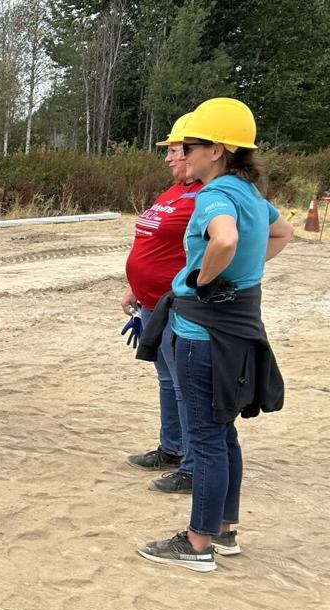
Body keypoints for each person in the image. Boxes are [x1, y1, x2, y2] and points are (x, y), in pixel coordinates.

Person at [137, 97, 291, 573]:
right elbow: (282, 233)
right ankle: (223, 531)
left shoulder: (215, 194)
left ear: (217, 150)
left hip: (201, 332)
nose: (182, 152)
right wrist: (243, 277)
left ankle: (198, 543)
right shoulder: (250, 193)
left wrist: (205, 279)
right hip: (238, 328)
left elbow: (222, 239)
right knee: (223, 435)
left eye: (189, 145)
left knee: (204, 438)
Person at [122, 113, 202, 494]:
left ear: (195, 152)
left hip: (177, 304)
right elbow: (151, 241)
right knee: (167, 379)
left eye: (174, 151)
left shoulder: (208, 194)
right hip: (151, 301)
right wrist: (134, 286)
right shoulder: (173, 192)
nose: (169, 158)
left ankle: (192, 464)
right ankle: (171, 449)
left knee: (185, 384)